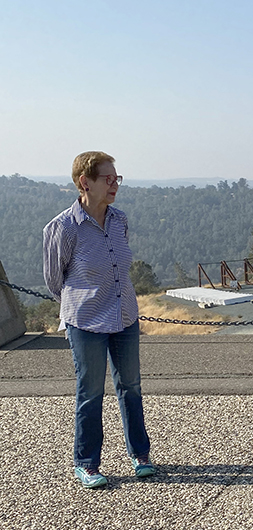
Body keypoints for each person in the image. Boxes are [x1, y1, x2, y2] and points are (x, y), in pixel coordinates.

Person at [43, 151, 155, 489]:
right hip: (86, 321)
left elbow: (121, 266)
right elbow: (53, 278)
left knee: (131, 387)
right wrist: (80, 305)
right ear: (84, 182)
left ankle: (140, 455)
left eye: (116, 178)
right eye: (107, 178)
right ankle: (87, 463)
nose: (114, 184)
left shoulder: (120, 220)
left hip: (124, 317)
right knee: (90, 392)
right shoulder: (63, 227)